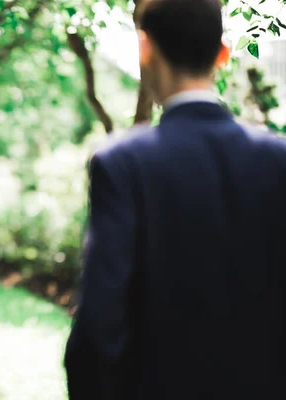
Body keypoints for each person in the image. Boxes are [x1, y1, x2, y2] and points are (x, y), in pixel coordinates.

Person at [64, 0, 286, 399]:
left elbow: (100, 323)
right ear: (222, 52)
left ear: (144, 47)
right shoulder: (278, 159)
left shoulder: (122, 163)